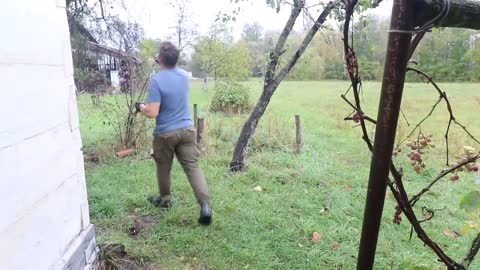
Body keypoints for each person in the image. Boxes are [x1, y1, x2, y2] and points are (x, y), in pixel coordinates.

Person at [135, 41, 212, 225]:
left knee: (163, 167)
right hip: (187, 130)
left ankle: (165, 199)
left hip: (165, 134)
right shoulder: (184, 76)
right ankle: (205, 207)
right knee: (192, 167)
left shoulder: (157, 80)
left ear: (159, 59)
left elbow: (153, 113)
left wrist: (140, 107)